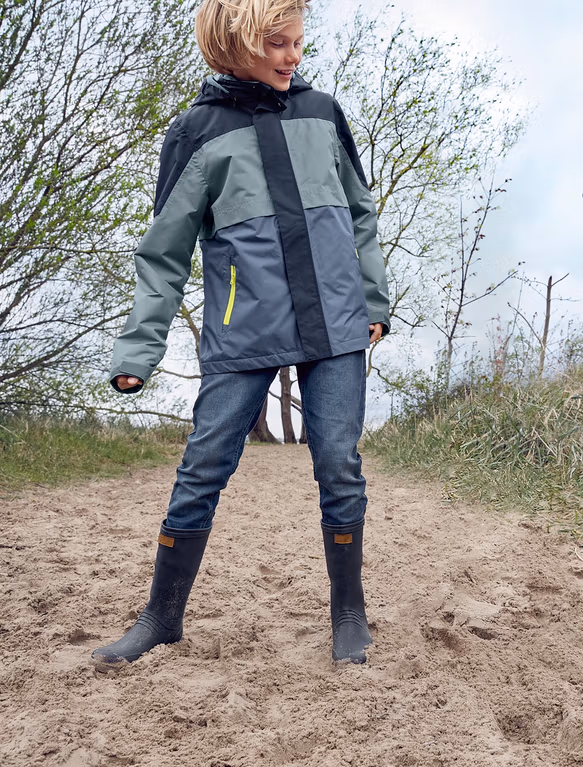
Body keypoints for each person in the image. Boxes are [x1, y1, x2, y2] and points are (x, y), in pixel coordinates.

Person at [91, 0, 389, 668]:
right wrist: (139, 347)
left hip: (336, 320)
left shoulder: (323, 114)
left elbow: (361, 212)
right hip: (242, 330)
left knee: (339, 464)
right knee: (202, 466)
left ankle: (349, 613)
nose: (293, 56)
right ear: (234, 44)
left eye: (298, 42)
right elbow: (164, 253)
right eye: (276, 43)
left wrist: (374, 299)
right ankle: (161, 616)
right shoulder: (194, 133)